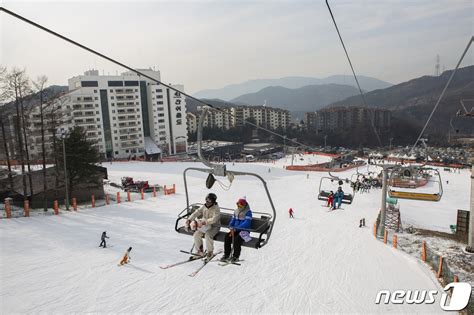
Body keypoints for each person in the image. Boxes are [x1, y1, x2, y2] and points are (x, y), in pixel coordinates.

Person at [185, 193, 221, 261]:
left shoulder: (216, 208)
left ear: (213, 201)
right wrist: (189, 219)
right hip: (204, 225)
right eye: (206, 200)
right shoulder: (204, 206)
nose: (207, 202)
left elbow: (214, 219)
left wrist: (204, 222)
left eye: (209, 201)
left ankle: (210, 252)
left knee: (208, 235)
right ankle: (200, 251)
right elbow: (197, 212)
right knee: (196, 234)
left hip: (214, 226)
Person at [221, 198, 253, 263]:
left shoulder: (248, 212)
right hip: (235, 230)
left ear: (244, 205)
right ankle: (226, 255)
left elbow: (247, 223)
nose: (239, 206)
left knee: (237, 239)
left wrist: (236, 228)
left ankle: (236, 256)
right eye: (238, 204)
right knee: (227, 236)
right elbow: (233, 220)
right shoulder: (236, 211)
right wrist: (231, 226)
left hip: (244, 231)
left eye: (240, 205)